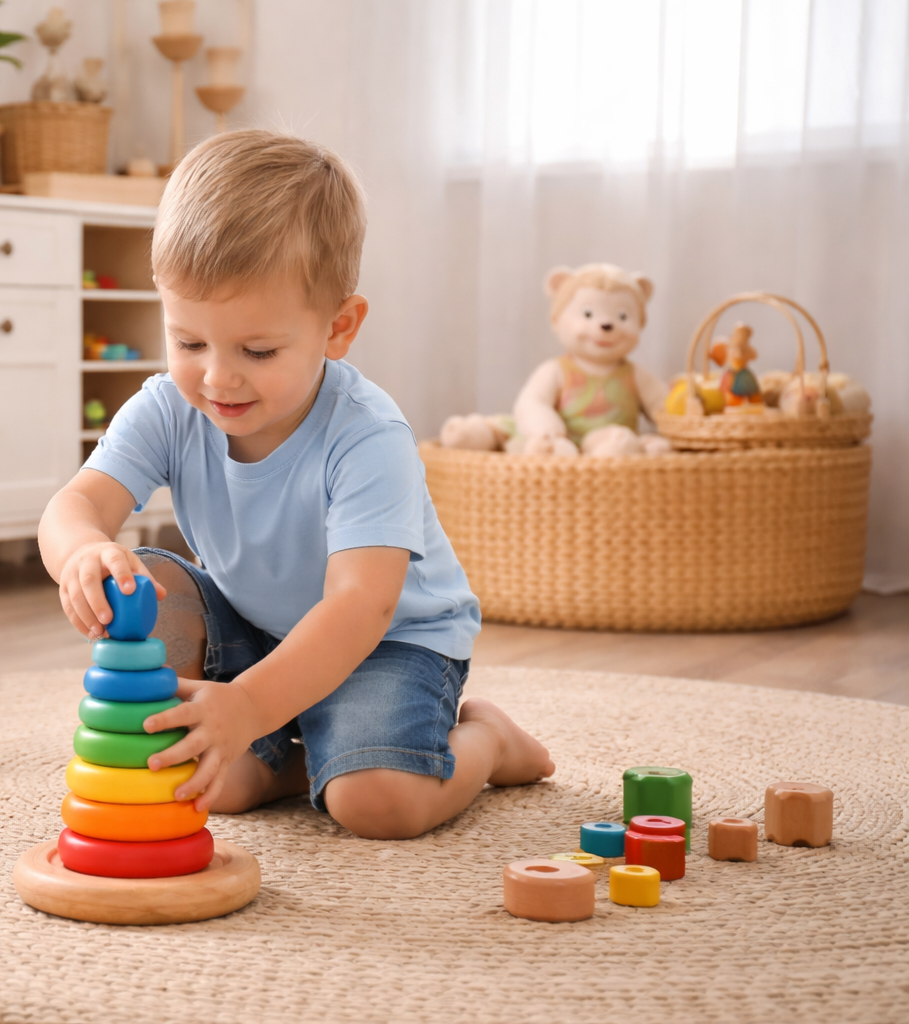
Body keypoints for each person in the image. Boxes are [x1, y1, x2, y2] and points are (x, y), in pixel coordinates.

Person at [38, 129, 554, 839]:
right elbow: (75, 506)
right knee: (181, 718)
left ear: (338, 328)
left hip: (390, 644)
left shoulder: (367, 432)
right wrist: (80, 554)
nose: (217, 376)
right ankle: (290, 757)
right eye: (189, 341)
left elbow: (360, 606)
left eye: (257, 350)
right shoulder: (167, 406)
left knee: (377, 804)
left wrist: (246, 708)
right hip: (256, 629)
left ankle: (487, 741)